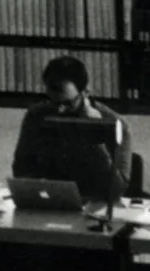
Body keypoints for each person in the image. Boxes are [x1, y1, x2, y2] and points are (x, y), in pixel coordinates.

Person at [11, 53, 132, 200]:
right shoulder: (36, 116)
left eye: (67, 104)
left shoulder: (116, 125)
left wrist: (95, 134)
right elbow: (21, 170)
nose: (59, 110)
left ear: (85, 93)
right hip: (50, 200)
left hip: (95, 202)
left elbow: (117, 189)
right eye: (53, 102)